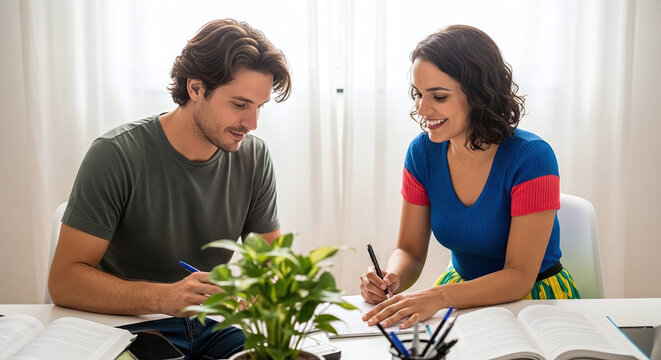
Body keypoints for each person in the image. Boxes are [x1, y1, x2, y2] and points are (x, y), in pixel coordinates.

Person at [48, 18, 291, 359]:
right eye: (239, 105)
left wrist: (255, 289)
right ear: (195, 88)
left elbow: (272, 263)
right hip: (129, 328)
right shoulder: (116, 154)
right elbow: (64, 282)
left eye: (259, 106)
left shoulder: (255, 156)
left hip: (213, 324)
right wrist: (164, 297)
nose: (251, 124)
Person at [359, 25, 580, 329]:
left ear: (479, 95)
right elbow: (409, 251)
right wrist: (391, 277)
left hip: (535, 298)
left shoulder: (532, 157)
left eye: (438, 96)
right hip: (459, 293)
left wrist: (437, 297)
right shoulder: (421, 153)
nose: (422, 108)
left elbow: (518, 277)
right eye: (418, 94)